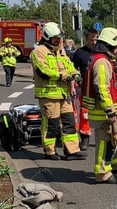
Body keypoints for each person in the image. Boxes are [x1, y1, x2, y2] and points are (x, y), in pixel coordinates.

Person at [30, 22, 85, 161]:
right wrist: (63, 76)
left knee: (69, 122)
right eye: (55, 38)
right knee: (51, 124)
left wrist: (76, 74)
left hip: (63, 94)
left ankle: (72, 150)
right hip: (48, 95)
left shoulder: (61, 50)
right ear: (47, 37)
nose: (58, 40)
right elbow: (43, 71)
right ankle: (50, 151)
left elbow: (69, 65)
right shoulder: (38, 52)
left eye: (58, 38)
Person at [81, 27, 117, 184]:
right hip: (104, 112)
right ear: (108, 45)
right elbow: (102, 89)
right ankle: (102, 173)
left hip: (108, 111)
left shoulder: (104, 59)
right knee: (104, 142)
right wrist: (110, 111)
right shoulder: (102, 62)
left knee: (115, 139)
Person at [72, 28, 100, 151]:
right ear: (86, 39)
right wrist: (73, 85)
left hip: (100, 88)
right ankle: (85, 138)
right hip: (85, 89)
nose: (93, 42)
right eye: (91, 39)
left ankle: (105, 138)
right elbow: (72, 70)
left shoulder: (102, 53)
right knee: (85, 114)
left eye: (96, 39)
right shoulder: (80, 53)